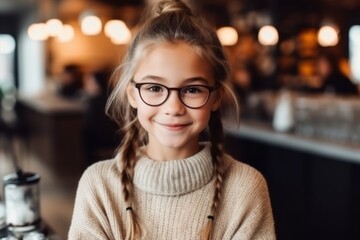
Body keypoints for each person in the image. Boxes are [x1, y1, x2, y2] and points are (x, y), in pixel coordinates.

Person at [68, 0, 275, 239]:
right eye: (155, 88)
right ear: (133, 94)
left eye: (192, 90)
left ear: (216, 97)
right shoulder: (99, 186)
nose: (173, 107)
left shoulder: (245, 188)